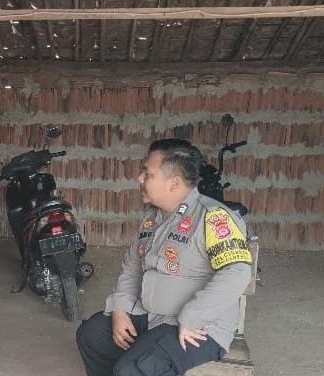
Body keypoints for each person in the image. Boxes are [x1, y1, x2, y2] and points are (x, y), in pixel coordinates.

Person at [76, 139, 253, 376]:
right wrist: (120, 308)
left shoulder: (213, 217)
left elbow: (237, 272)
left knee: (133, 369)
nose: (140, 178)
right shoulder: (152, 219)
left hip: (198, 327)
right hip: (150, 316)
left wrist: (192, 317)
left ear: (173, 183)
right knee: (92, 335)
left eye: (148, 174)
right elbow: (132, 267)